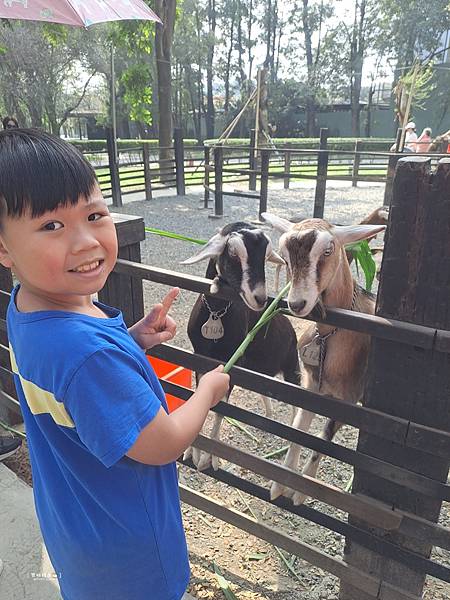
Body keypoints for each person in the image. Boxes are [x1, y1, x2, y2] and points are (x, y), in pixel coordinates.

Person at [0, 128, 230, 600]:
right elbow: (162, 444)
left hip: (75, 524)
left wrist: (131, 343)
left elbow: (70, 385)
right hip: (130, 553)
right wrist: (207, 390)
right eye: (51, 226)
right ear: (4, 249)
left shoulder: (27, 307)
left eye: (94, 214)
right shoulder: (88, 355)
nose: (86, 241)